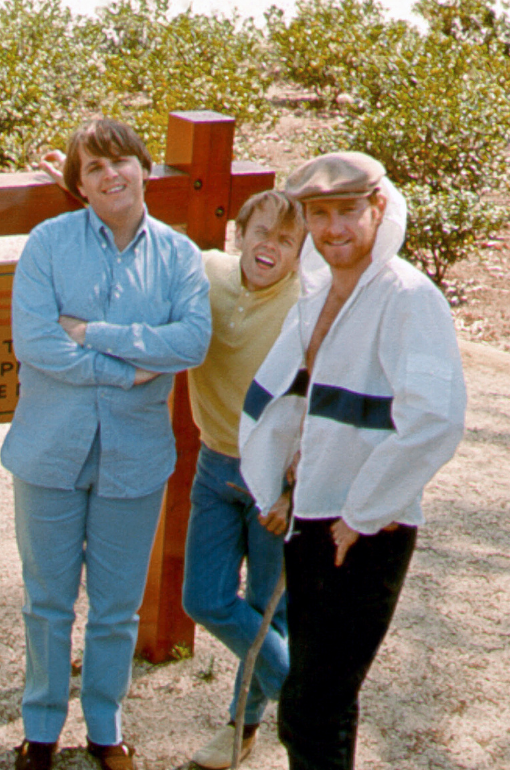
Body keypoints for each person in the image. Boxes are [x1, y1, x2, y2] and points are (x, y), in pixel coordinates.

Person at [239, 152, 467, 770]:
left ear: (379, 209)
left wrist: (363, 514)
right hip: (312, 515)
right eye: (319, 215)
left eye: (347, 212)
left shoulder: (408, 298)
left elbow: (434, 421)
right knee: (317, 706)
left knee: (314, 706)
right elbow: (300, 403)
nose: (333, 229)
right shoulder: (316, 293)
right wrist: (280, 486)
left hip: (364, 530)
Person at [2, 118, 211, 770]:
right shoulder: (47, 244)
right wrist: (129, 367)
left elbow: (192, 342)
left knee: (117, 607)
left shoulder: (179, 256)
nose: (110, 174)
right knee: (47, 602)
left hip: (136, 457)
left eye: (121, 160)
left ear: (143, 168)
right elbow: (36, 344)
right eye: (94, 168)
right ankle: (40, 730)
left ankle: (104, 726)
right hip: (48, 452)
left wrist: (90, 332)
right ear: (79, 186)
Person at [181, 190, 305, 769]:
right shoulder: (208, 271)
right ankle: (306, 698)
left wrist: (292, 488)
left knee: (265, 608)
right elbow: (148, 237)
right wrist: (76, 185)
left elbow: (321, 404)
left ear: (299, 253)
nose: (270, 247)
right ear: (239, 234)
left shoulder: (307, 307)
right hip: (214, 465)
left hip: (272, 479)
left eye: (285, 241)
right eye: (262, 232)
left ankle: (241, 730)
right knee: (204, 599)